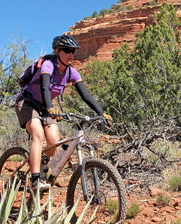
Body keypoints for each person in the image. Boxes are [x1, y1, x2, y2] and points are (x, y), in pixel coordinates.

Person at [15, 35, 110, 192]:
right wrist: (51, 107)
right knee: (38, 135)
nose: (70, 54)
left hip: (45, 107)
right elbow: (45, 87)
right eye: (66, 50)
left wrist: (102, 113)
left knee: (54, 141)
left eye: (72, 51)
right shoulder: (48, 65)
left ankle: (42, 164)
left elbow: (86, 96)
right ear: (57, 51)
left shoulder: (71, 72)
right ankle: (35, 180)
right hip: (27, 103)